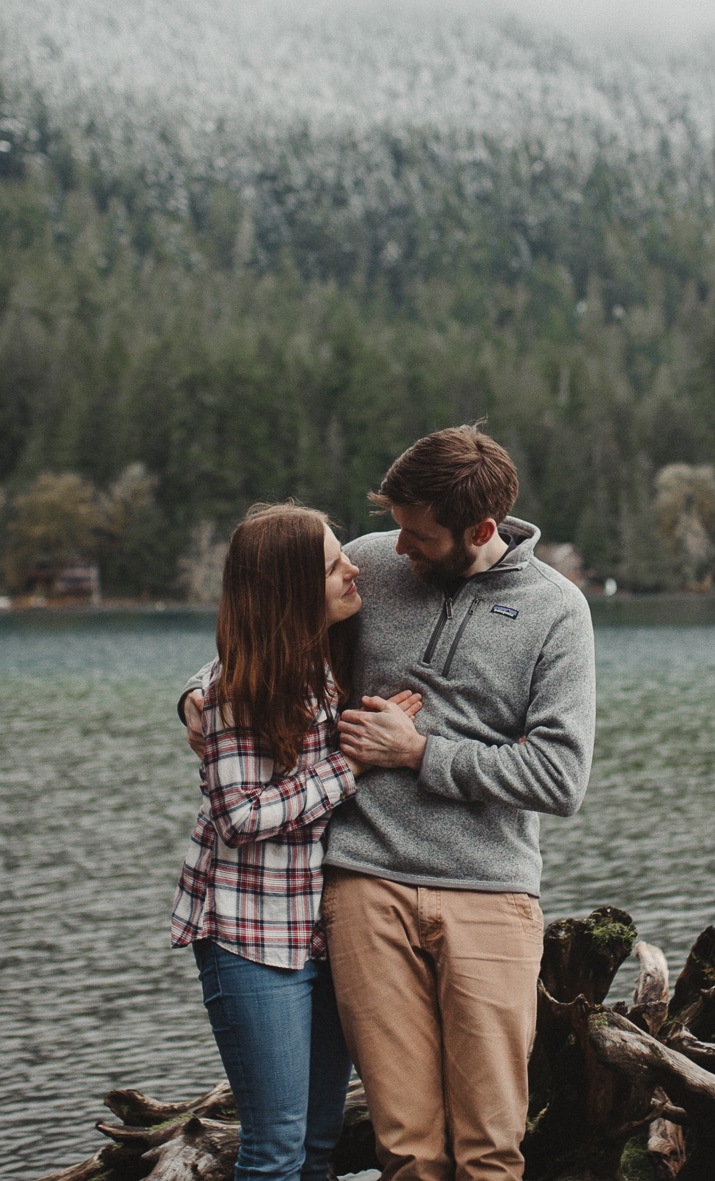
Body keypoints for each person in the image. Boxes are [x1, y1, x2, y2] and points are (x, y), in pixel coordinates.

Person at [184, 426, 597, 1181]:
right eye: (394, 524)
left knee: (490, 1147)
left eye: (416, 533)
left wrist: (419, 754)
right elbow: (269, 624)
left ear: (479, 531)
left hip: (490, 891)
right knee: (404, 1148)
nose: (393, 546)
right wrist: (194, 694)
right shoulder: (371, 560)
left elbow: (561, 777)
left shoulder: (557, 609)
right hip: (362, 887)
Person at [168, 502, 423, 1181]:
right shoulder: (234, 691)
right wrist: (353, 765)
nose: (353, 566)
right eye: (333, 562)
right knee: (276, 1146)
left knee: (317, 1144)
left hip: (322, 932)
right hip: (250, 937)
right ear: (289, 588)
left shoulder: (327, 655)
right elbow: (241, 818)